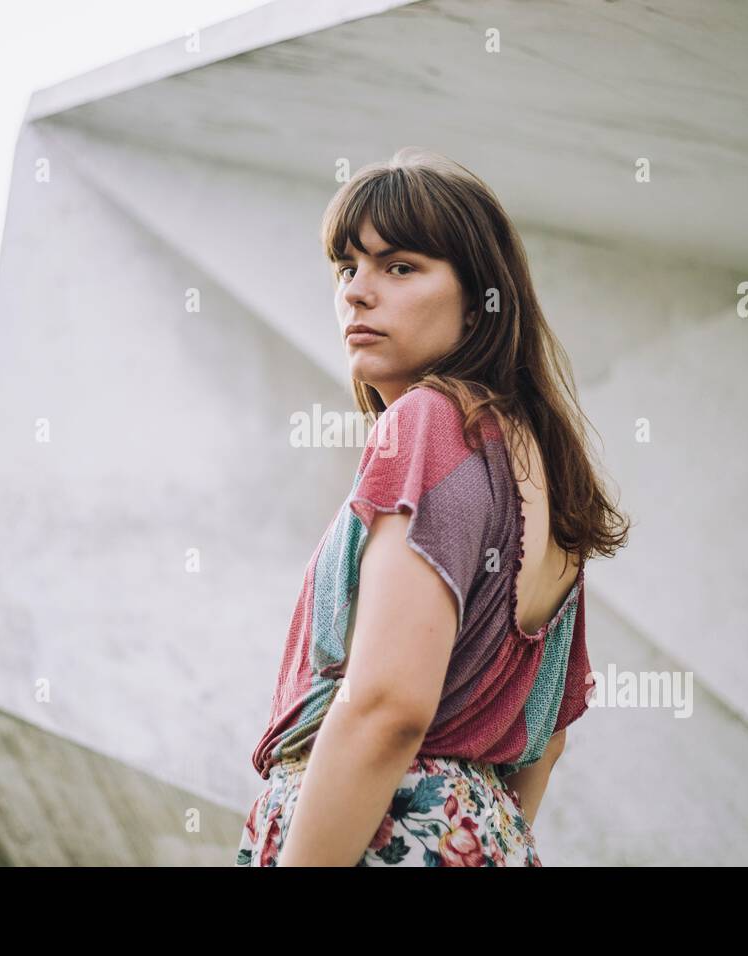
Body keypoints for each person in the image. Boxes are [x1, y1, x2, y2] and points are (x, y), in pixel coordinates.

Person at [236, 147, 630, 867]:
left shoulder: (427, 424)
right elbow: (547, 736)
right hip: (482, 832)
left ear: (482, 299)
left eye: (400, 266)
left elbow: (387, 708)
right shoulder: (545, 474)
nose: (356, 292)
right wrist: (468, 833)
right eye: (346, 268)